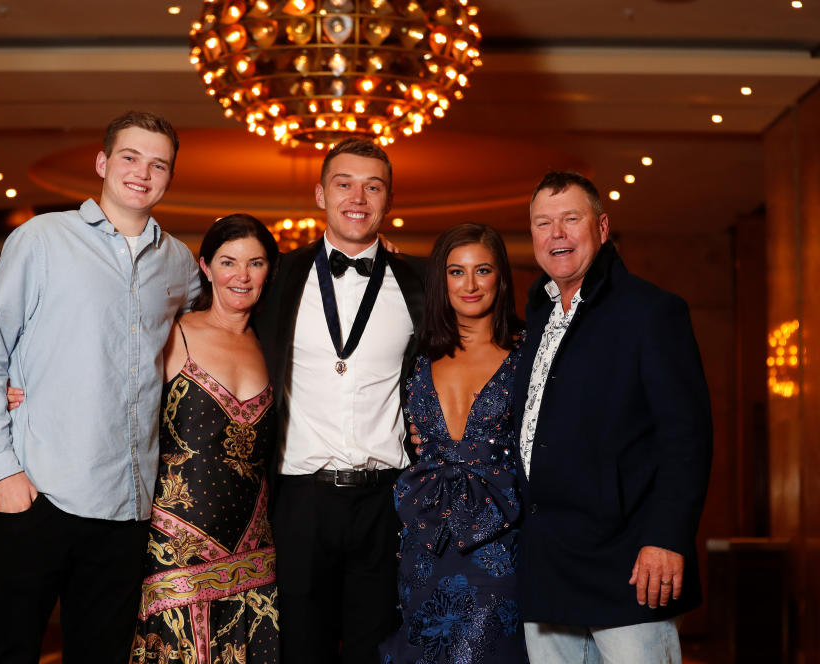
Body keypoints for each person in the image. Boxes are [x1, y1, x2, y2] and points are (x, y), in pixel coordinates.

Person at [0, 110, 200, 663]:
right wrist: (0, 471)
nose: (142, 172)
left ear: (169, 177)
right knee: (8, 653)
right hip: (37, 493)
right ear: (102, 162)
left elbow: (208, 339)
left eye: (158, 164)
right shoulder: (42, 240)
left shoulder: (180, 264)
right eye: (130, 157)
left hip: (128, 508)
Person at [512, 171, 712, 662]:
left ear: (601, 227)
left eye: (570, 220)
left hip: (631, 566)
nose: (556, 234)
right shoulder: (536, 315)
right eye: (543, 223)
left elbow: (686, 438)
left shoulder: (651, 312)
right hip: (549, 567)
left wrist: (667, 538)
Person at [253, 138, 425, 664]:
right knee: (300, 648)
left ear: (388, 202)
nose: (358, 196)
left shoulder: (423, 282)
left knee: (377, 650)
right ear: (319, 193)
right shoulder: (274, 277)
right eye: (343, 183)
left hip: (388, 502)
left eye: (373, 186)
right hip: (299, 499)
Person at [129, 214, 281, 664]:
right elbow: (111, 397)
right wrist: (22, 388)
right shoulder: (173, 334)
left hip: (255, 550)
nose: (241, 275)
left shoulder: (274, 344)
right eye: (228, 262)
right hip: (173, 551)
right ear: (205, 266)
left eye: (255, 263)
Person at [381, 223, 527, 664]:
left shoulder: (528, 352)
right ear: (440, 280)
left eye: (482, 270)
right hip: (423, 544)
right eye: (456, 271)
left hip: (500, 543)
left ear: (500, 276)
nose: (470, 284)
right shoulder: (417, 354)